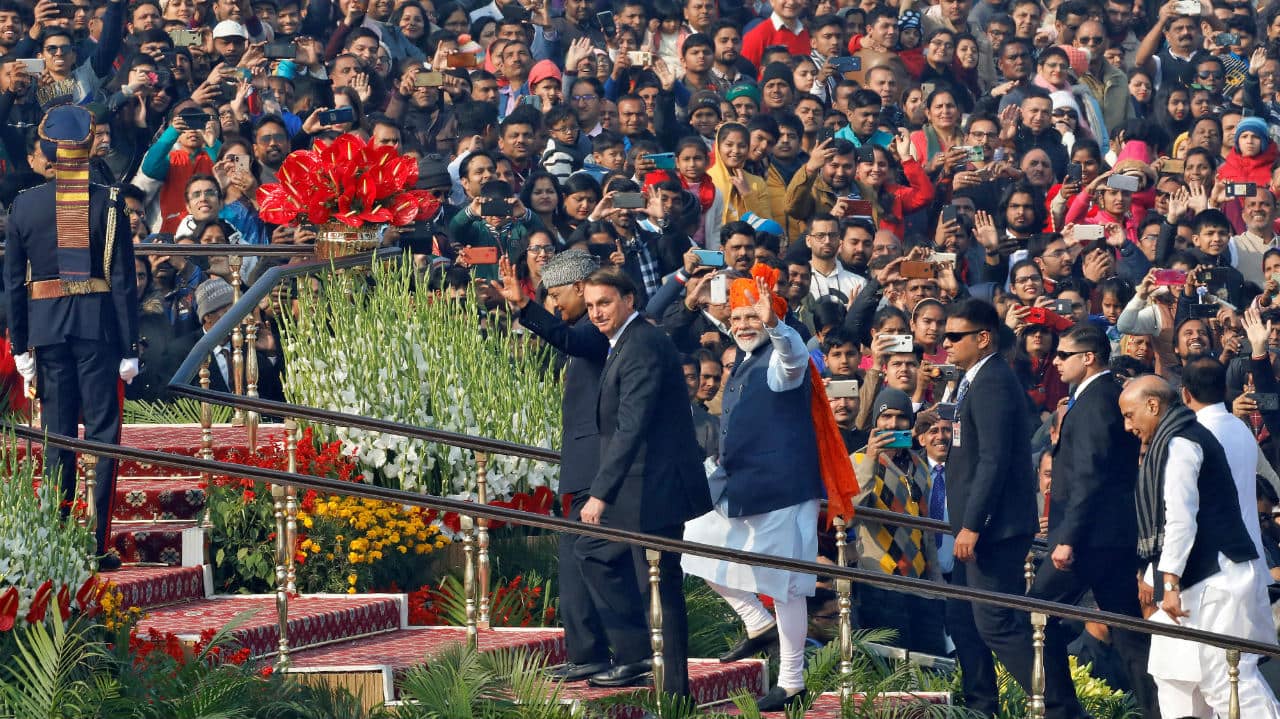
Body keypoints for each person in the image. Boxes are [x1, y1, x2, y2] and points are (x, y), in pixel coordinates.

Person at [681, 264, 857, 712]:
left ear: (769, 318)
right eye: (735, 319)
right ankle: (755, 622)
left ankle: (792, 680)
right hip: (741, 486)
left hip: (782, 493)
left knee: (786, 587)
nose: (742, 326)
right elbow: (732, 324)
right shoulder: (742, 354)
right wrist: (708, 306)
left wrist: (775, 323)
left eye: (751, 318)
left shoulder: (781, 360)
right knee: (693, 542)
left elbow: (794, 357)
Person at [4, 104, 138, 571]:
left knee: (58, 436)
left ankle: (61, 539)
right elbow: (121, 280)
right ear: (86, 147)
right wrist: (129, 346)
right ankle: (96, 544)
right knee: (102, 436)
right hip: (96, 329)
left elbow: (13, 283)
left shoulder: (25, 204)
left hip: (46, 328)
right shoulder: (108, 200)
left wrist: (19, 344)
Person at [577, 268, 713, 695]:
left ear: (629, 300)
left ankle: (675, 696)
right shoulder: (625, 341)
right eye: (591, 305)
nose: (597, 313)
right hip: (638, 489)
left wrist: (600, 492)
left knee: (660, 590)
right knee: (594, 552)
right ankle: (636, 654)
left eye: (605, 303)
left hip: (655, 490)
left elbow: (631, 426)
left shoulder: (642, 344)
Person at [1120, 371, 1280, 719]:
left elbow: (1180, 518)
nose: (1127, 426)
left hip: (1214, 578)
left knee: (1228, 680)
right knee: (1172, 673)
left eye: (1129, 415)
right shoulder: (1179, 438)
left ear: (1152, 405)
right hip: (1198, 578)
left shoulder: (1180, 443)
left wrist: (1169, 582)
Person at [495, 249, 613, 683]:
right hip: (583, 469)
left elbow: (572, 342)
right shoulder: (585, 327)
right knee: (575, 563)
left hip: (595, 473)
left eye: (558, 295)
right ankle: (586, 653)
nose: (555, 305)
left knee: (584, 562)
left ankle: (593, 655)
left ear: (583, 288)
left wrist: (525, 308)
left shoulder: (596, 331)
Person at [1029, 323, 1158, 719]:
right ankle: (1159, 711)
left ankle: (1063, 710)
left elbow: (1090, 475)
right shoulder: (1099, 398)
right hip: (1111, 539)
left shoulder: (1096, 401)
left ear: (1088, 358)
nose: (1056, 361)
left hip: (1088, 539)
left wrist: (1068, 537)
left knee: (1034, 616)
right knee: (1130, 636)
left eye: (1064, 355)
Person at [940, 298, 1051, 714]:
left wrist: (973, 524)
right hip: (976, 527)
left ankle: (1059, 707)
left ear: (983, 338)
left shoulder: (992, 380)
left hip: (992, 529)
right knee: (964, 623)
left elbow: (994, 458)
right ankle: (981, 706)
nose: (945, 343)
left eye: (955, 336)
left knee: (998, 624)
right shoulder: (974, 378)